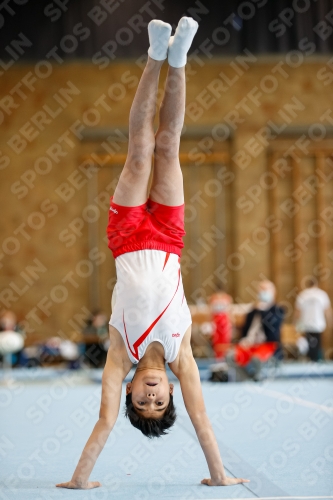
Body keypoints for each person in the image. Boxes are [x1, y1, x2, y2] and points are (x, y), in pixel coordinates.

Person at [56, 18, 249, 490]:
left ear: (130, 393)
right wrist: (219, 477)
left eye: (141, 402)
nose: (149, 396)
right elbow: (202, 422)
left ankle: (154, 54)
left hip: (125, 236)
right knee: (168, 147)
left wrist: (79, 481)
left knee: (140, 151)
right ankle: (178, 58)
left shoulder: (120, 358)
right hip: (167, 236)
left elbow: (104, 423)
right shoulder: (183, 359)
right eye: (159, 402)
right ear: (169, 393)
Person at [227, 280, 284, 380]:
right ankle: (246, 378)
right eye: (261, 290)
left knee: (256, 358)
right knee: (230, 356)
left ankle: (258, 377)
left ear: (273, 292)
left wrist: (262, 310)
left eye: (265, 290)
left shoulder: (278, 310)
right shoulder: (252, 312)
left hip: (267, 345)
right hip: (250, 344)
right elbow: (245, 331)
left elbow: (272, 329)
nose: (263, 292)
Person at [294, 277, 332, 361]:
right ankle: (316, 358)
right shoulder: (322, 294)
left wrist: (295, 323)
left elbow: (298, 312)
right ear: (316, 285)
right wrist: (330, 322)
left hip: (306, 323)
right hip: (318, 323)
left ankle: (311, 357)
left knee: (310, 341)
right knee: (317, 342)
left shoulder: (302, 295)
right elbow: (327, 310)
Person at [208, 283, 233, 359]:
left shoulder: (227, 298)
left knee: (225, 339)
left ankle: (225, 356)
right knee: (217, 340)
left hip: (224, 322)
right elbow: (210, 312)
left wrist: (231, 323)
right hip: (216, 322)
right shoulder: (213, 298)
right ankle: (218, 357)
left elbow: (230, 312)